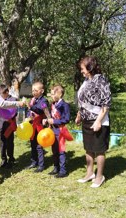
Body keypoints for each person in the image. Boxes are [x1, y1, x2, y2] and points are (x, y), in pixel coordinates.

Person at [75, 56, 111, 188]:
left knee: (99, 149)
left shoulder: (101, 80)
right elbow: (82, 100)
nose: (81, 71)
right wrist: (79, 114)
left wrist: (98, 121)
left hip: (98, 119)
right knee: (88, 148)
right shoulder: (86, 81)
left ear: (90, 68)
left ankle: (100, 177)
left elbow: (106, 103)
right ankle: (89, 173)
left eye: (83, 68)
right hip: (86, 119)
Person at [43, 84, 71, 178]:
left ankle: (63, 171)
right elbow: (51, 116)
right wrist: (46, 120)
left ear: (59, 94)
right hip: (53, 130)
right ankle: (56, 167)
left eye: (52, 94)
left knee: (61, 151)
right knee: (54, 150)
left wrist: (54, 121)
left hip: (61, 130)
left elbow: (66, 119)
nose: (51, 96)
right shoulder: (53, 104)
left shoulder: (65, 105)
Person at [25, 82, 49, 173]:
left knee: (39, 146)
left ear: (41, 91)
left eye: (36, 90)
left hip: (39, 126)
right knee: (33, 144)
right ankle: (34, 162)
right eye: (32, 90)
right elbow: (29, 111)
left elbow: (39, 109)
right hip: (32, 126)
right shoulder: (32, 100)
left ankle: (41, 165)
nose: (33, 92)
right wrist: (28, 116)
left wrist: (31, 107)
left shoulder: (44, 101)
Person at [0, 84, 17, 169]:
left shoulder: (13, 100)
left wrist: (12, 119)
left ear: (7, 92)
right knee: (2, 142)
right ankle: (3, 160)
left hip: (9, 124)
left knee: (9, 142)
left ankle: (11, 158)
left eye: (1, 94)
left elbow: (15, 112)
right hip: (1, 123)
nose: (0, 96)